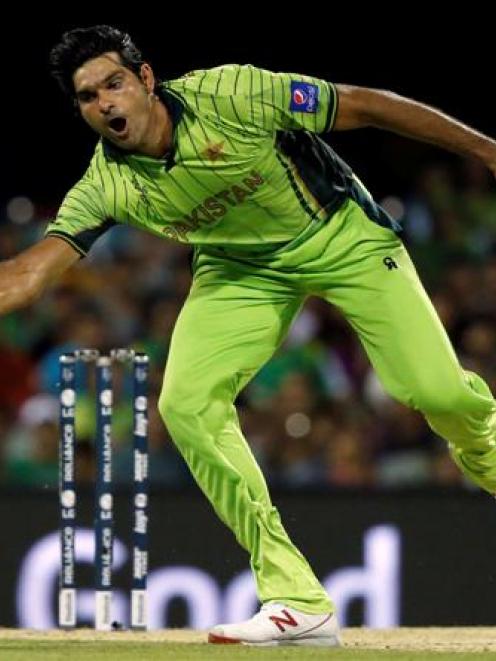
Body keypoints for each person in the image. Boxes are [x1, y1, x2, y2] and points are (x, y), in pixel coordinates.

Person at [1, 24, 496, 646]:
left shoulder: (232, 93)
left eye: (114, 83)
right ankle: (295, 596)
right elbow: (27, 275)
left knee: (439, 395)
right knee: (185, 403)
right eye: (89, 96)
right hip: (240, 271)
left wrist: (485, 149)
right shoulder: (107, 184)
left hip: (338, 233)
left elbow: (364, 105)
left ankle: (488, 452)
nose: (106, 103)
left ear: (146, 79)